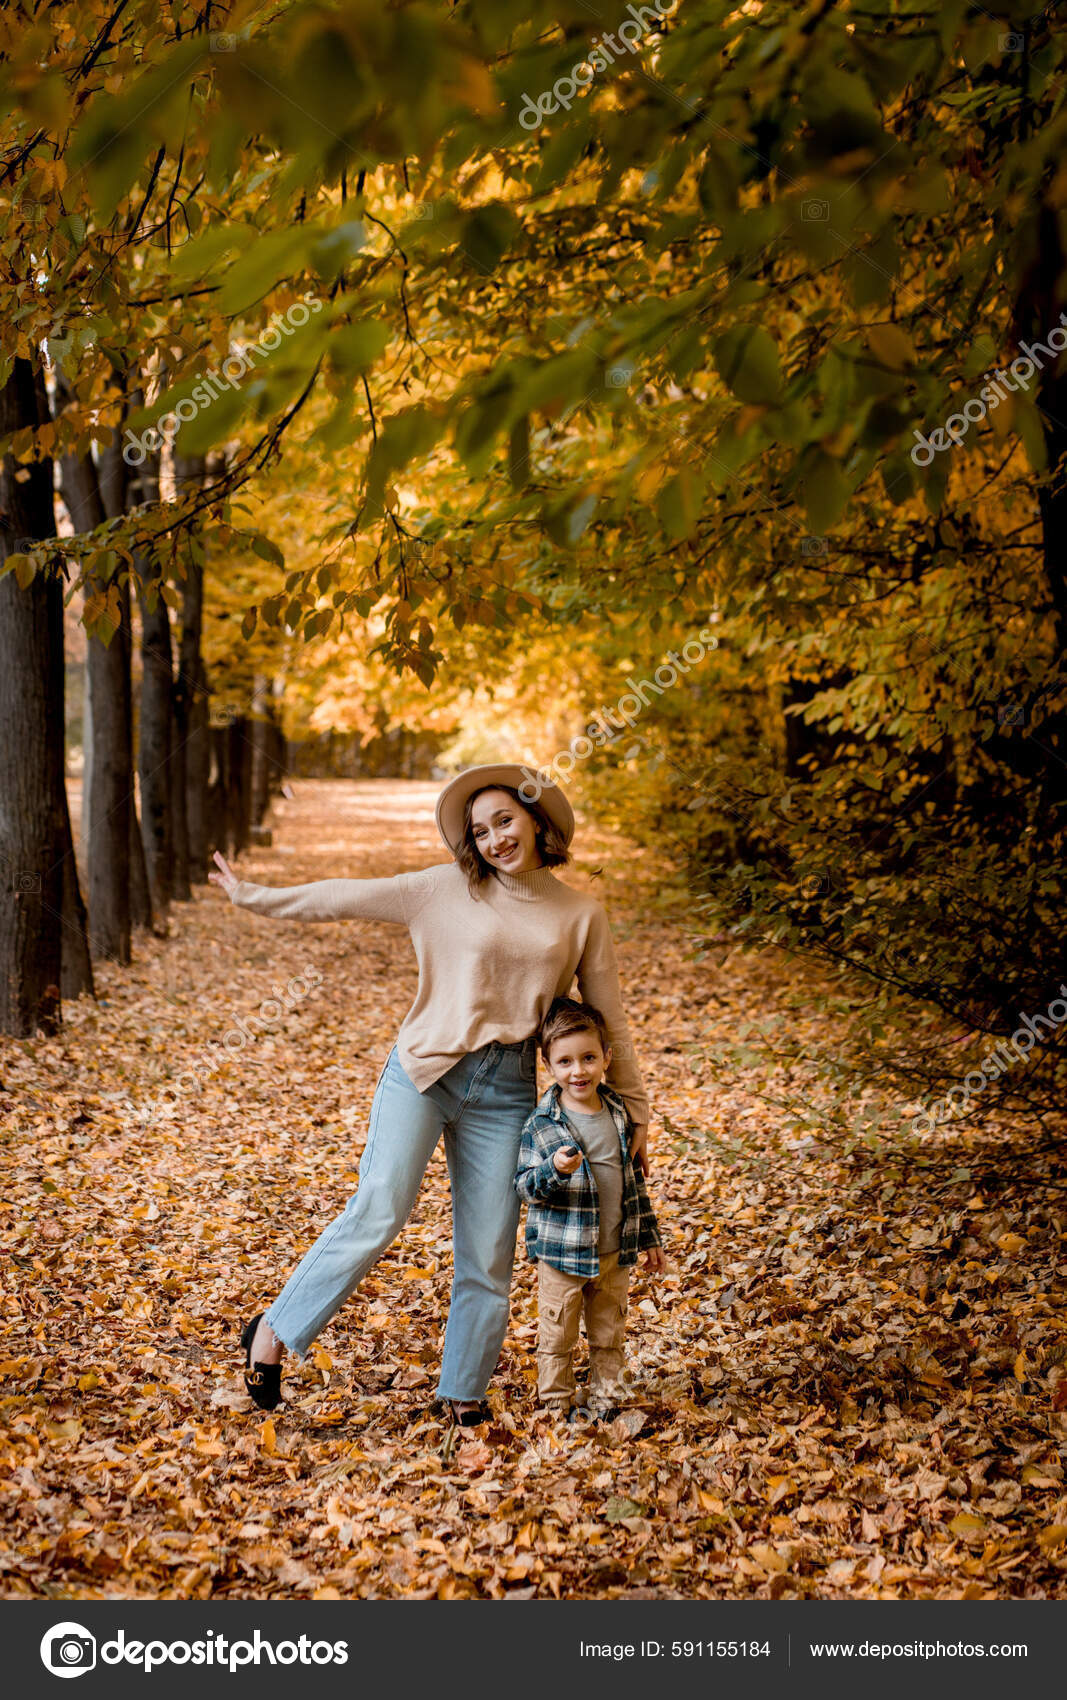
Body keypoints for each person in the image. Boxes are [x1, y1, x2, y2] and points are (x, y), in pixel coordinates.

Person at [207, 763, 650, 1426]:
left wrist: (635, 1110)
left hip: (504, 1090)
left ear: (535, 819)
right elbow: (341, 897)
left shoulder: (578, 912)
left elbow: (608, 1016)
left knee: (488, 1246)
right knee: (379, 1208)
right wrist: (254, 897)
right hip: (421, 1071)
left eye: (504, 820)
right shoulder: (441, 888)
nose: (495, 838)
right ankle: (272, 1333)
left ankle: (462, 1391)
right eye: (479, 830)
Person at [515, 996, 665, 1419]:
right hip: (563, 1253)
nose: (577, 1070)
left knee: (608, 1333)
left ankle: (606, 1400)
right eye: (565, 1062)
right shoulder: (543, 1123)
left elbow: (633, 1181)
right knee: (558, 1334)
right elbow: (525, 1188)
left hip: (614, 1252)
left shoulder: (617, 1112)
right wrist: (554, 1170)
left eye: (587, 1058)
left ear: (606, 1058)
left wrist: (649, 1237)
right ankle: (556, 1405)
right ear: (548, 1065)